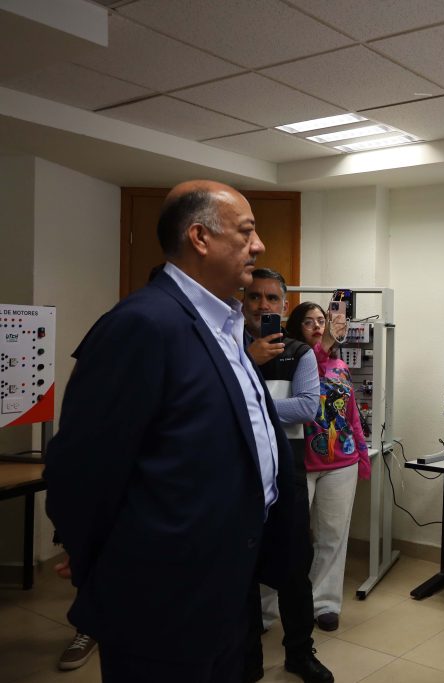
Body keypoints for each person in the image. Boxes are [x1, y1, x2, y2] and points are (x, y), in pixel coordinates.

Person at [44, 180, 294, 682]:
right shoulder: (142, 324)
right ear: (200, 238)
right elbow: (82, 468)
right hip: (162, 602)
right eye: (246, 232)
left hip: (225, 584)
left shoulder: (226, 326)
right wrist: (98, 561)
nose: (259, 245)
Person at [241, 269, 332, 683]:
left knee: (295, 567)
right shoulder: (225, 346)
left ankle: (299, 652)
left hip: (286, 471)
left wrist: (248, 400)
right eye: (254, 297)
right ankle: (247, 659)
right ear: (243, 302)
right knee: (242, 571)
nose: (263, 305)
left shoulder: (300, 353)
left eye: (272, 299)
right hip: (238, 474)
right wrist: (249, 362)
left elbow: (307, 407)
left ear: (283, 305)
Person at [285, 301, 371, 632]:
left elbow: (352, 416)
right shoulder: (289, 361)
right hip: (300, 463)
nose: (318, 327)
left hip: (341, 462)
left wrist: (362, 454)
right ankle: (273, 604)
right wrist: (326, 342)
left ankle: (325, 603)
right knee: (289, 536)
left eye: (322, 321)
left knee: (332, 536)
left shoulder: (340, 365)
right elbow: (314, 362)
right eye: (309, 322)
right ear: (296, 328)